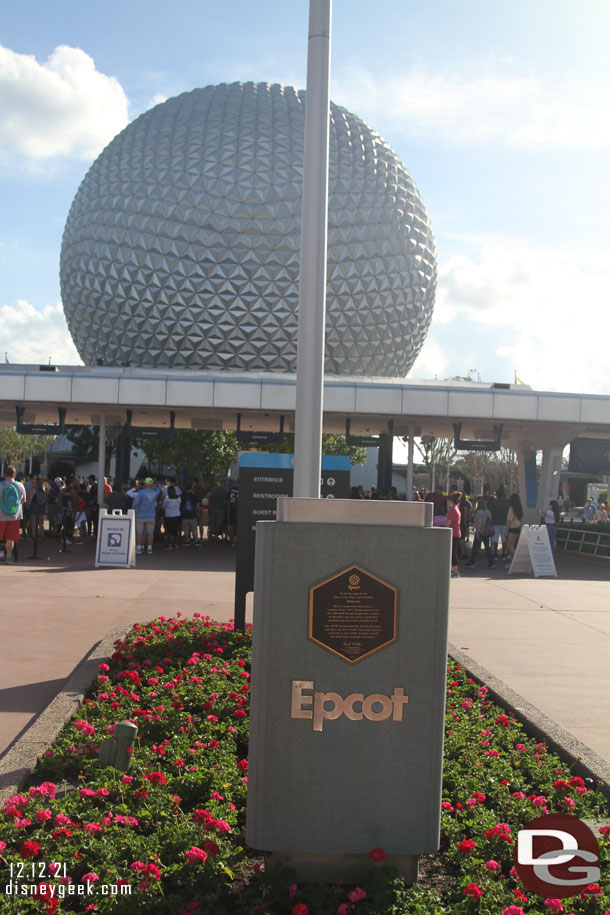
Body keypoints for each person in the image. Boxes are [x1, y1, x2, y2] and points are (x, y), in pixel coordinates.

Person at [0, 466, 27, 563]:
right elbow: (24, 500)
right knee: (10, 537)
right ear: (14, 475)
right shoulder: (20, 486)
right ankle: (8, 557)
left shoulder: (1, 485)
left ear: (5, 475)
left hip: (1, 516)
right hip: (14, 516)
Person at [132, 477, 162, 554]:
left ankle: (138, 548)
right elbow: (160, 487)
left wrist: (133, 508)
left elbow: (136, 504)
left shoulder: (141, 492)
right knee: (150, 533)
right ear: (151, 484)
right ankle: (149, 548)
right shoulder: (155, 493)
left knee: (139, 533)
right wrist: (157, 485)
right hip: (151, 515)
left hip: (140, 515)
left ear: (145, 484)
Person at [466, 499, 495, 569]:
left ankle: (472, 562)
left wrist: (478, 532)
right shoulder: (488, 511)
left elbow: (479, 522)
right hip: (486, 531)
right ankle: (491, 562)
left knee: (475, 548)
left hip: (481, 531)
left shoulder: (479, 512)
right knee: (487, 547)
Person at [489, 485, 510, 559]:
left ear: (496, 495)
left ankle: (495, 554)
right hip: (504, 523)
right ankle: (504, 554)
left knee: (495, 539)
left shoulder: (493, 503)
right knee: (504, 539)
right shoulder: (506, 504)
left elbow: (491, 514)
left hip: (495, 523)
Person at [445, 493, 461, 578]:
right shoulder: (456, 509)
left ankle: (455, 572)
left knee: (452, 553)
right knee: (453, 553)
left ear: (451, 501)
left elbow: (448, 523)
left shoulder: (452, 511)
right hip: (456, 533)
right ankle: (453, 570)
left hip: (453, 534)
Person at [162, 484, 182, 549]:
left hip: (168, 515)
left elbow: (164, 506)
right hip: (177, 514)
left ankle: (170, 543)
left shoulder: (167, 498)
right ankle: (176, 544)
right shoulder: (178, 498)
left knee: (169, 530)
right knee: (176, 530)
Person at [506, 493, 524, 561]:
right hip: (517, 527)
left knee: (509, 546)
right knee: (512, 546)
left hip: (512, 528)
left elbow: (509, 520)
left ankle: (518, 558)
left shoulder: (511, 509)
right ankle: (512, 562)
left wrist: (506, 530)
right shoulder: (519, 508)